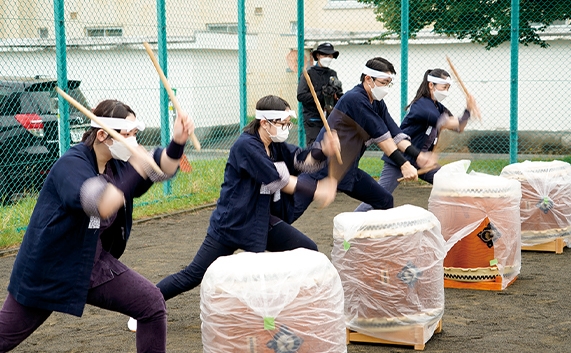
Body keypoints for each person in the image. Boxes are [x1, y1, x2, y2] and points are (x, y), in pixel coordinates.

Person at [0, 99, 195, 353]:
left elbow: (161, 169)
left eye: (134, 134)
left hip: (92, 261)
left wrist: (178, 141)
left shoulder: (118, 163)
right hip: (50, 269)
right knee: (5, 336)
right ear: (103, 135)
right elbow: (101, 204)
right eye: (128, 135)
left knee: (152, 303)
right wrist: (137, 169)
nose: (134, 142)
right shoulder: (72, 165)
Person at [149, 95, 338, 305]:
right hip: (233, 223)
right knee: (193, 274)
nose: (286, 128)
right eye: (282, 124)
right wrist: (316, 189)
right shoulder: (246, 145)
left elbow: (300, 160)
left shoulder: (275, 145)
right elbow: (278, 180)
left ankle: (290, 305)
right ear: (264, 123)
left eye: (288, 123)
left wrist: (321, 151)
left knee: (306, 250)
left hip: (260, 221)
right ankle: (145, 303)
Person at [291, 57, 435, 220]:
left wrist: (418, 156)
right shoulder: (355, 99)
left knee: (384, 200)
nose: (386, 87)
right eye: (384, 82)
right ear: (368, 79)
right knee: (291, 212)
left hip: (346, 169)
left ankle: (362, 243)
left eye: (389, 83)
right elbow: (383, 140)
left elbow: (395, 134)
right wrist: (404, 164)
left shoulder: (377, 102)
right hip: (322, 167)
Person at [355, 68, 477, 212]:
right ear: (431, 85)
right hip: (401, 158)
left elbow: (459, 127)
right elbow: (447, 123)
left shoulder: (438, 107)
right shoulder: (422, 105)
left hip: (423, 162)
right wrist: (468, 111)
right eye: (444, 87)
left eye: (448, 88)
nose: (446, 91)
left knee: (451, 184)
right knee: (379, 197)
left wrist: (468, 111)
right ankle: (351, 224)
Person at [297, 42, 343, 145]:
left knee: (330, 149)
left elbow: (337, 95)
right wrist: (322, 94)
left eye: (330, 55)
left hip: (330, 118)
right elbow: (301, 96)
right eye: (325, 55)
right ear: (317, 56)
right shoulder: (308, 73)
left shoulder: (332, 73)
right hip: (313, 119)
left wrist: (337, 95)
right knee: (315, 149)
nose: (328, 58)